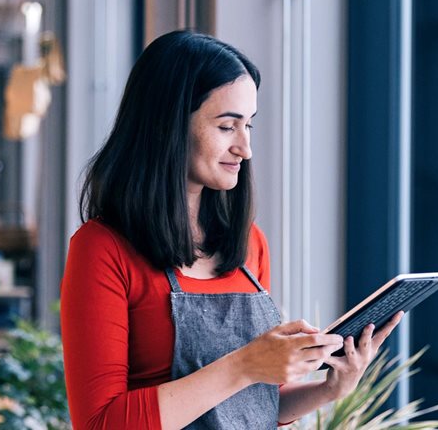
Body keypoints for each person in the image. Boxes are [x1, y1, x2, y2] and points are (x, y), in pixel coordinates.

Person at [60, 30, 403, 430]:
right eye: (227, 126)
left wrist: (329, 389)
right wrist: (244, 365)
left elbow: (250, 408)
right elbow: (100, 423)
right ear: (168, 126)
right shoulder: (102, 249)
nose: (246, 147)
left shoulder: (248, 244)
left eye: (249, 126)